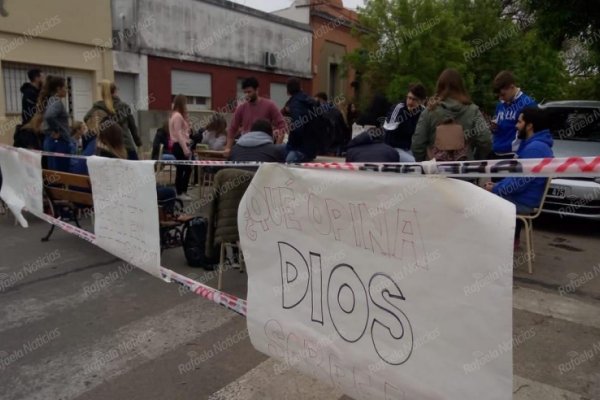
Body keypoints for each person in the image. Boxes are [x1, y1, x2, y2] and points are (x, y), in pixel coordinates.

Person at [485, 107, 553, 246]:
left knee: (478, 202)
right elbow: (518, 179)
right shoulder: (538, 146)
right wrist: (497, 186)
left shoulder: (534, 149)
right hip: (527, 197)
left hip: (523, 201)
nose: (516, 126)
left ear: (529, 126)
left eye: (519, 122)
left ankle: (489, 248)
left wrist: (495, 189)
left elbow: (520, 182)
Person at [411, 68, 492, 162]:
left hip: (435, 171)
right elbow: (485, 140)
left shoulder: (429, 111)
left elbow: (417, 144)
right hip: (465, 170)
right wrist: (476, 159)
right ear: (461, 86)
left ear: (439, 86)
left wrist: (425, 163)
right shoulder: (473, 110)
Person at [224, 77, 286, 157]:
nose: (247, 95)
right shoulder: (241, 107)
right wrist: (228, 148)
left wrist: (277, 147)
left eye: (249, 92)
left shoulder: (270, 105)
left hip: (264, 145)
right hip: (245, 145)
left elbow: (282, 125)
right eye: (245, 92)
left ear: (257, 90)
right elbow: (232, 129)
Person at [84, 80, 142, 160]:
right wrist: (139, 144)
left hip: (108, 147)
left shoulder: (98, 106)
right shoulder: (124, 107)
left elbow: (86, 118)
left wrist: (98, 129)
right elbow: (133, 128)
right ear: (115, 91)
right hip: (126, 145)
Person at [29, 75, 72, 172]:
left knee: (54, 173)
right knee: (62, 174)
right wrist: (57, 130)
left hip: (51, 142)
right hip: (59, 143)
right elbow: (49, 116)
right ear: (58, 88)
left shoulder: (50, 101)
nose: (66, 90)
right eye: (65, 87)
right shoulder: (56, 102)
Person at [491, 71, 537, 159]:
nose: (501, 98)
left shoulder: (527, 103)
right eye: (498, 96)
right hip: (496, 153)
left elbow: (532, 133)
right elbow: (500, 128)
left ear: (511, 87)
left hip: (514, 155)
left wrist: (521, 155)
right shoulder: (500, 104)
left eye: (503, 95)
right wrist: (494, 128)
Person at [383, 84, 427, 162]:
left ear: (422, 101)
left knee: (425, 160)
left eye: (415, 99)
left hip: (409, 149)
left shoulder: (423, 111)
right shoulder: (399, 108)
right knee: (412, 162)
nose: (410, 102)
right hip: (392, 148)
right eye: (409, 98)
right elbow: (387, 131)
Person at [285, 77, 323, 162]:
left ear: (288, 90)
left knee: (284, 158)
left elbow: (297, 127)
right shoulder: (310, 100)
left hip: (300, 148)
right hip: (313, 146)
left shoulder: (295, 104)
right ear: (300, 87)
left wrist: (292, 145)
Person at [169, 94, 193, 201]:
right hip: (179, 145)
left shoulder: (175, 115)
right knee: (185, 169)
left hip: (179, 145)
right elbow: (179, 134)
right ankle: (181, 192)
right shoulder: (177, 116)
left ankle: (180, 191)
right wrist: (185, 148)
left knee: (182, 169)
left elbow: (184, 131)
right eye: (185, 103)